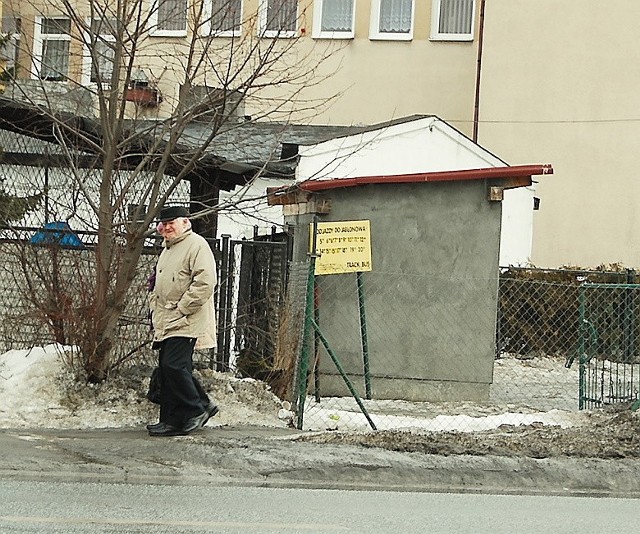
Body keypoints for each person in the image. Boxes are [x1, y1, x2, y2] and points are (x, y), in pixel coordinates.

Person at [146, 205, 219, 437]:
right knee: (170, 370)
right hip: (167, 318)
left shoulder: (196, 245)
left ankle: (195, 408)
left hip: (186, 319)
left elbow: (206, 281)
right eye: (164, 224)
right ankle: (172, 420)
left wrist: (183, 307)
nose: (167, 227)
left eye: (172, 222)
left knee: (173, 366)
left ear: (185, 223)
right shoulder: (168, 248)